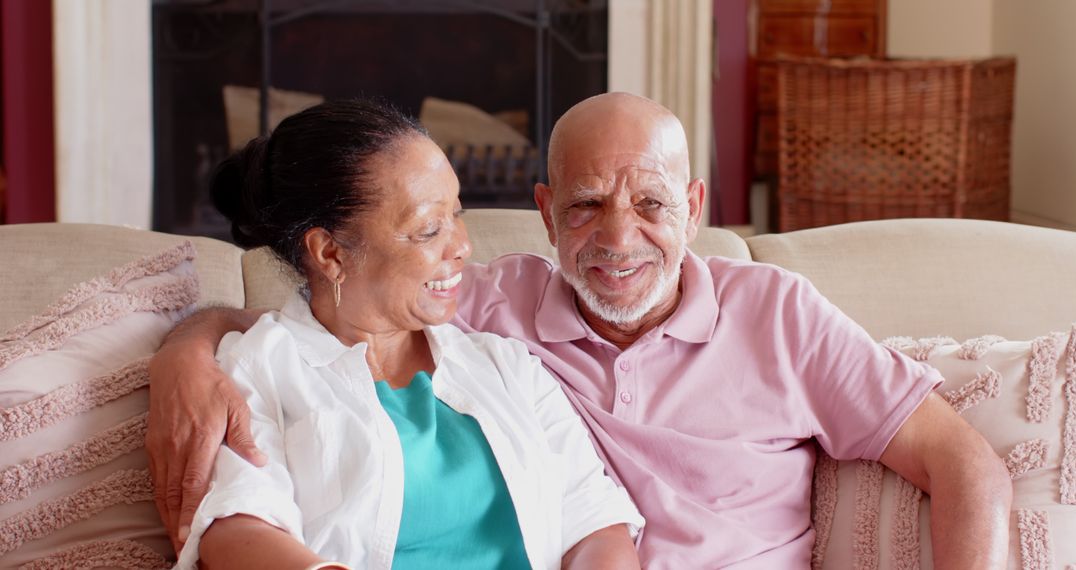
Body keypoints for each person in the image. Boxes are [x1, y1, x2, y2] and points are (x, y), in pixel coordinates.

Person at [149, 93, 1012, 568]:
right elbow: (316, 327)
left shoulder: (779, 315)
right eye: (588, 205)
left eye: (651, 203)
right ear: (546, 214)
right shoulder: (485, 313)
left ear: (697, 209)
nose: (619, 238)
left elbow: (961, 462)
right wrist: (188, 354)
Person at [165, 99, 644, 570]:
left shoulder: (506, 364)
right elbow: (238, 527)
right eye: (429, 229)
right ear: (330, 253)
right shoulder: (260, 366)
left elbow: (596, 523)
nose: (462, 246)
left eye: (456, 213)